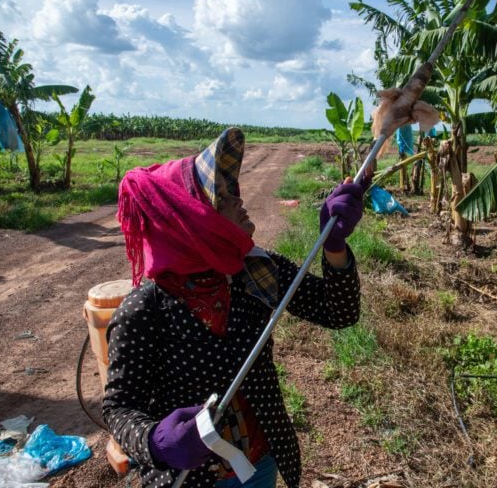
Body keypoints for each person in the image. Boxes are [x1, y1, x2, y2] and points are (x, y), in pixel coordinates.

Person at [102, 127, 369, 488]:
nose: (239, 199)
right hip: (191, 478)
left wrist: (334, 246)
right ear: (190, 220)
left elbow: (338, 312)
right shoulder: (143, 310)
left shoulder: (253, 271)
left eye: (234, 189)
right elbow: (119, 409)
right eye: (224, 196)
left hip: (260, 462)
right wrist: (155, 440)